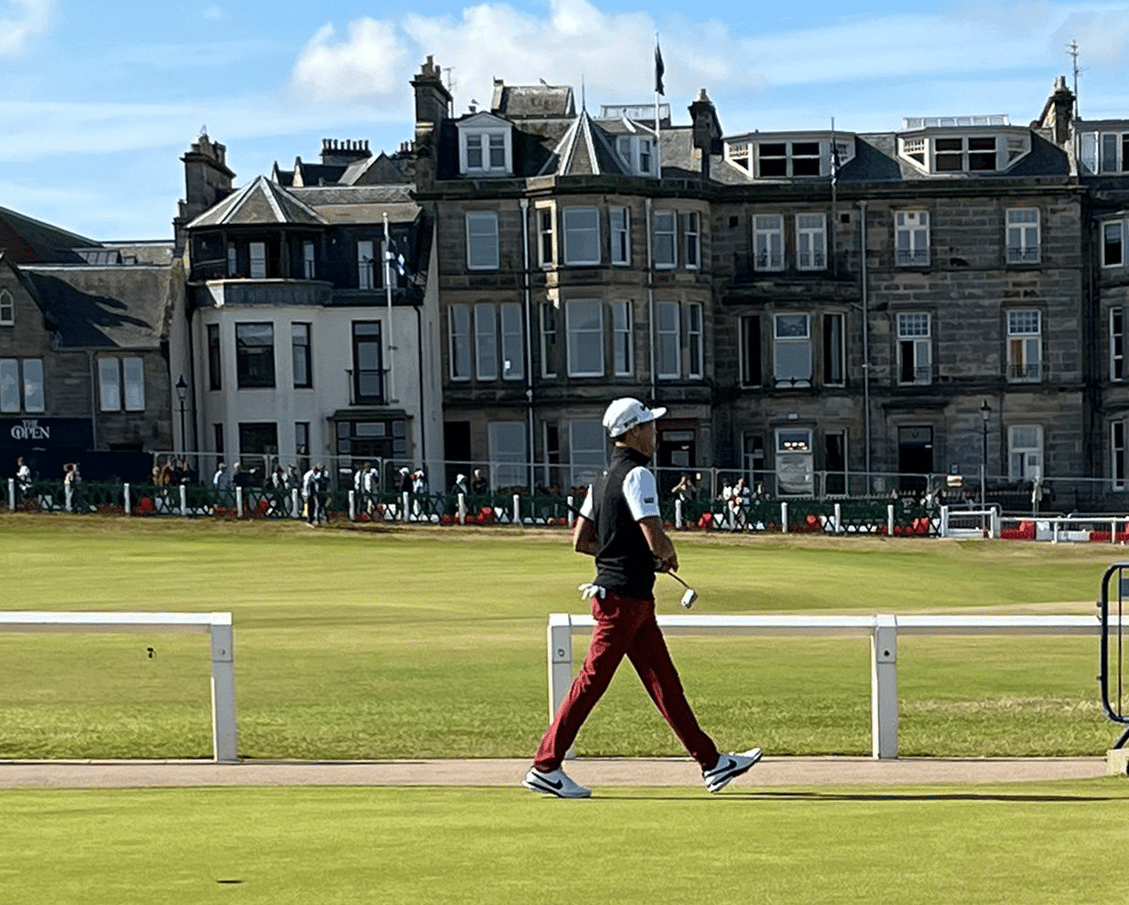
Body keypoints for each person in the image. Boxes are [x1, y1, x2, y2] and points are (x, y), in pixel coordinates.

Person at [523, 398, 762, 799]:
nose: (655, 432)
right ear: (633, 432)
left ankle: (712, 762)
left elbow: (582, 541)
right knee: (591, 682)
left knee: (664, 682)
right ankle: (545, 765)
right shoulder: (639, 475)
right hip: (623, 601)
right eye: (649, 426)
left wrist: (626, 553)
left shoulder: (600, 481)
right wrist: (666, 555)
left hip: (629, 599)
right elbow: (655, 534)